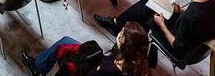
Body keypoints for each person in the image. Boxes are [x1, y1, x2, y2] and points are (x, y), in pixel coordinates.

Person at [22, 21, 150, 76]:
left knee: (65, 46)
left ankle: (38, 67)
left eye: (121, 33)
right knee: (67, 41)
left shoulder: (109, 70)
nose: (119, 33)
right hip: (98, 61)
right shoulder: (138, 61)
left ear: (124, 44)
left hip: (88, 68)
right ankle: (40, 65)